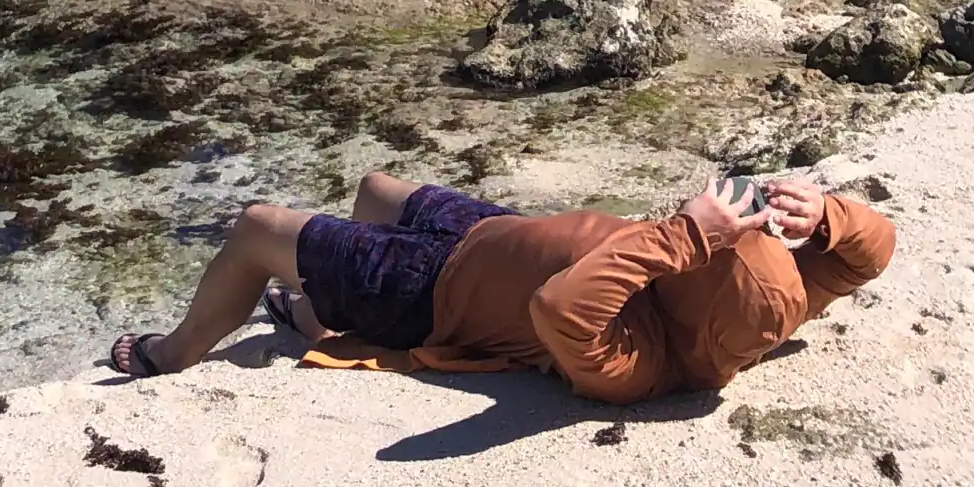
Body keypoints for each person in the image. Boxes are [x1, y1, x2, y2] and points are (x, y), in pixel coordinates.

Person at [107, 166, 895, 398]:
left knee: (253, 227)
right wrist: (824, 215)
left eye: (726, 244)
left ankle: (173, 353)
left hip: (431, 291)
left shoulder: (643, 364)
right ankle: (312, 305)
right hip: (492, 231)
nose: (729, 228)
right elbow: (873, 252)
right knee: (376, 187)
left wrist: (689, 233)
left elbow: (561, 310)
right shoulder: (776, 303)